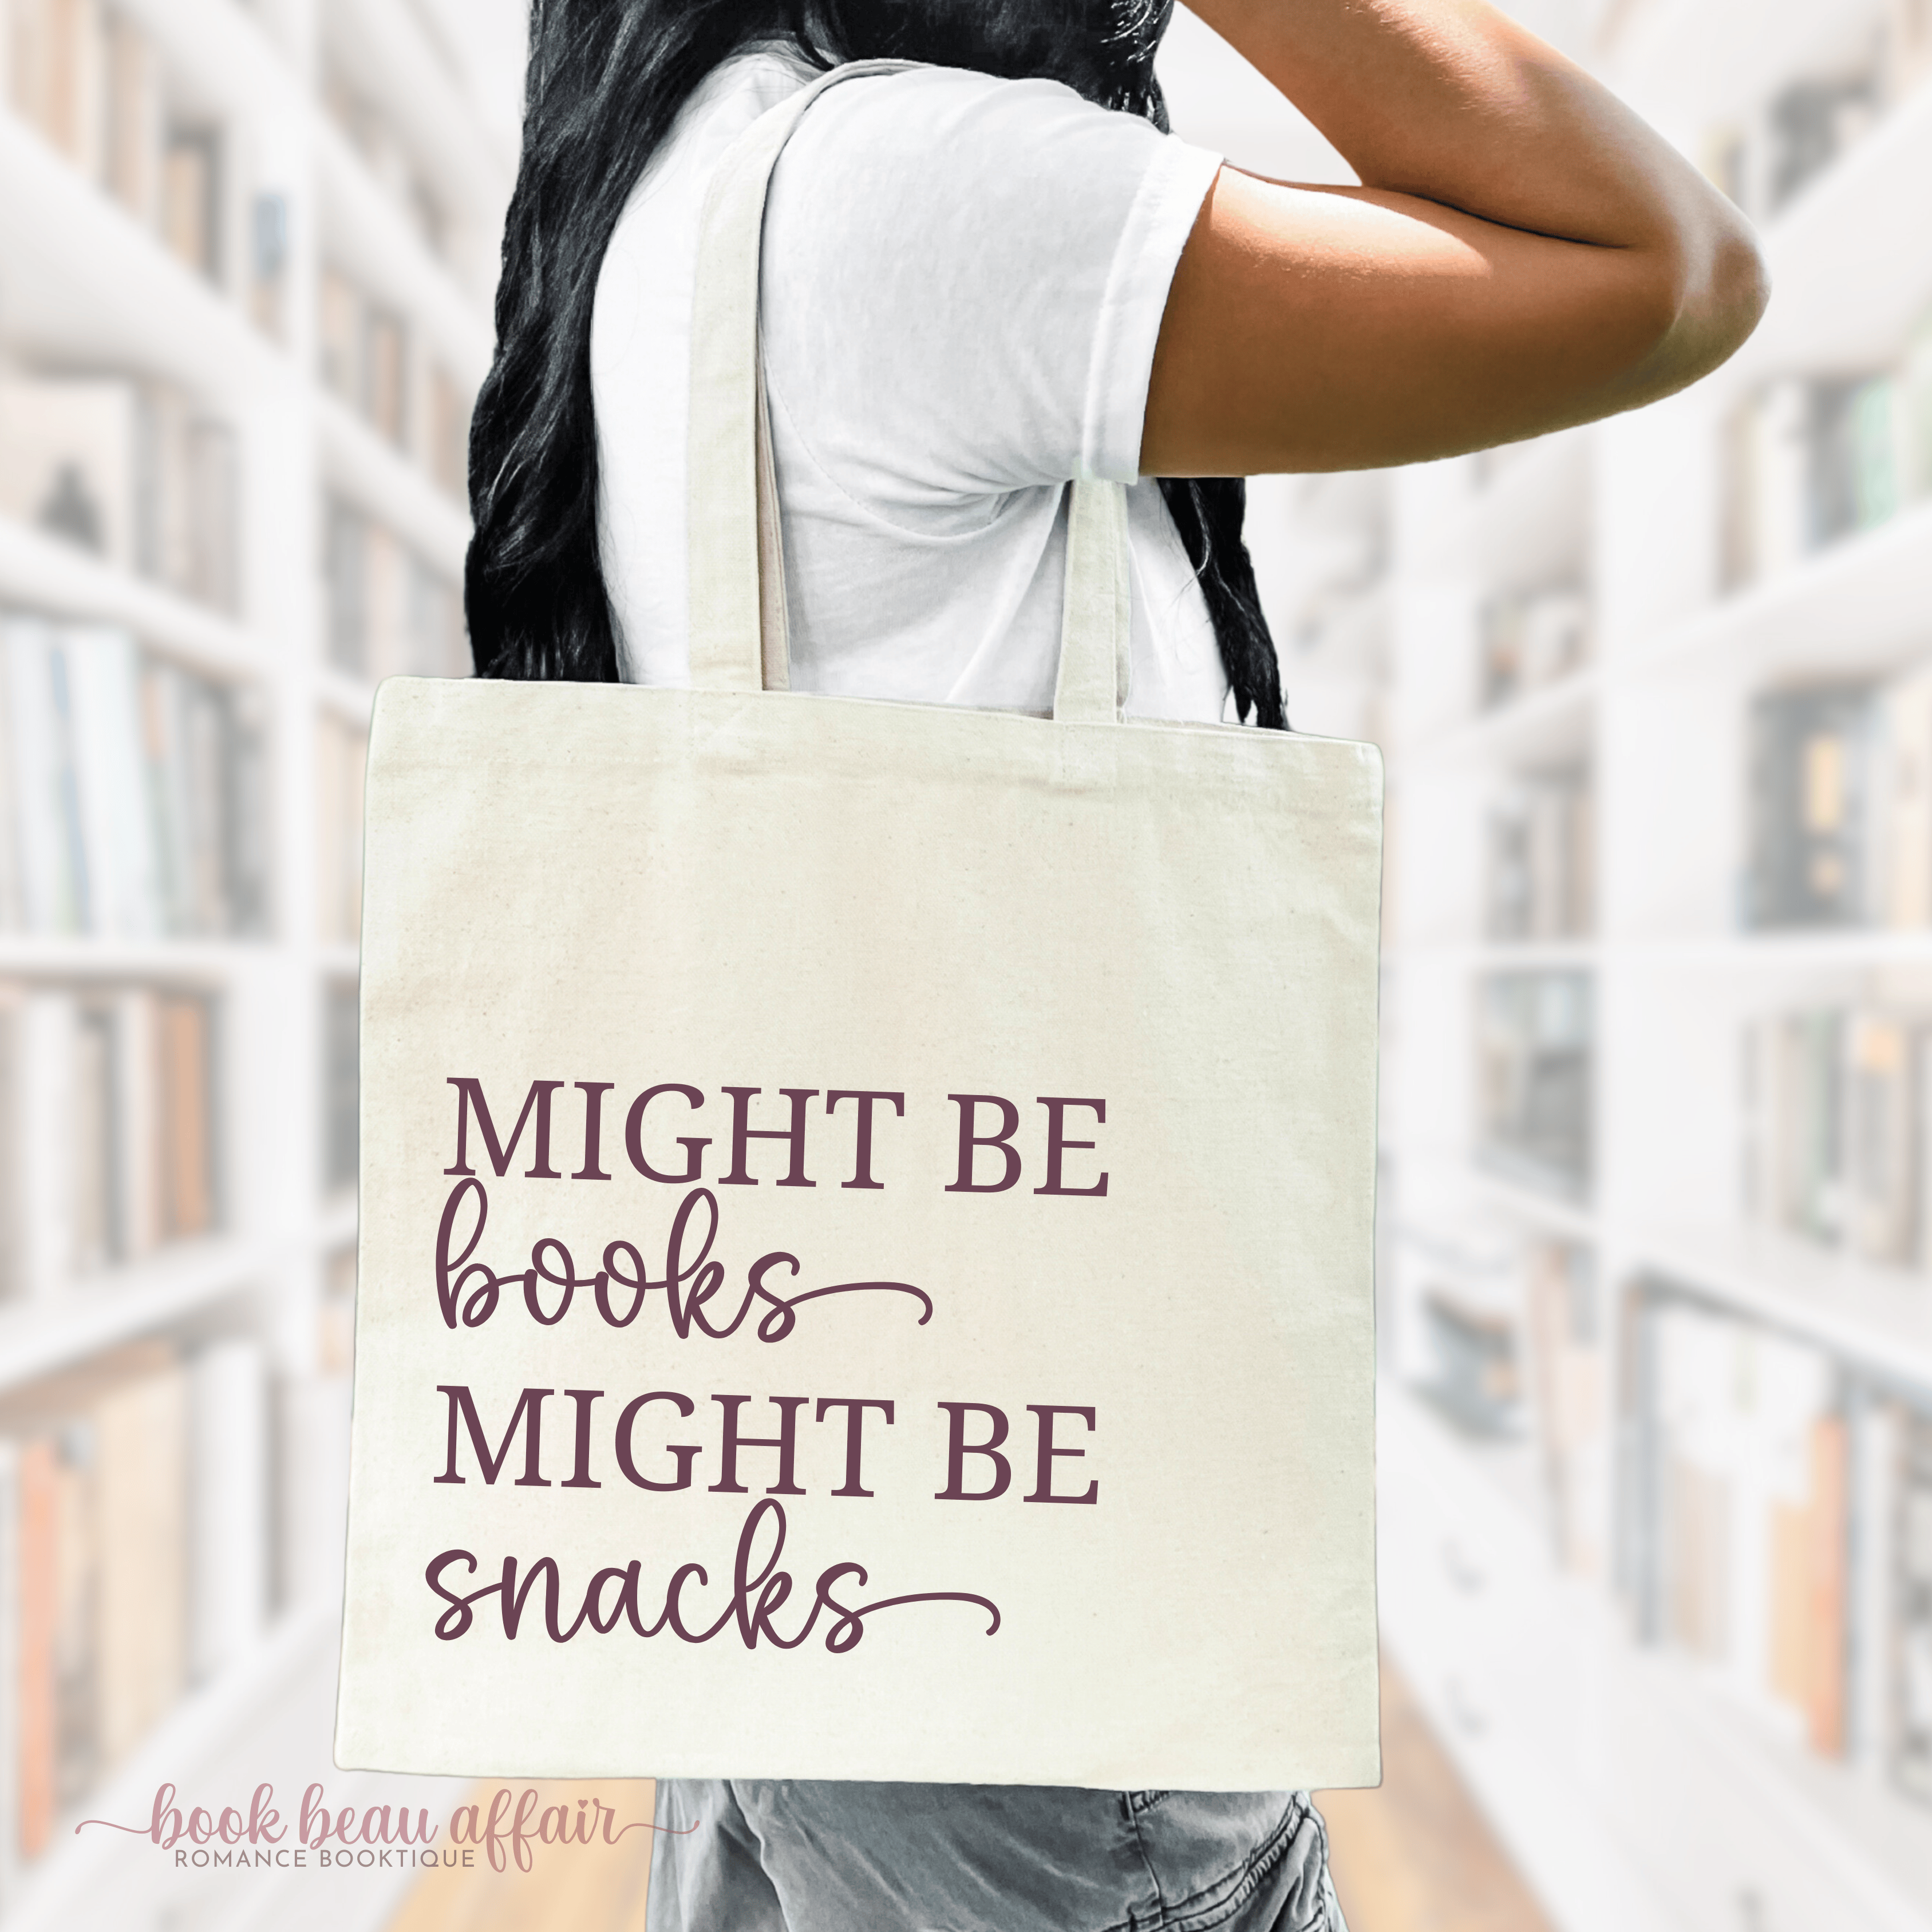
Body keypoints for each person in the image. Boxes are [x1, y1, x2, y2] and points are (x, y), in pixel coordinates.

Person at [464, 2, 1766, 1926]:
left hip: (805, 1548)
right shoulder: (911, 189)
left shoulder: (700, 179)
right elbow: (1663, 272)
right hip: (1045, 1614)